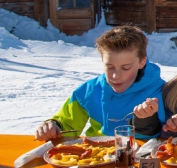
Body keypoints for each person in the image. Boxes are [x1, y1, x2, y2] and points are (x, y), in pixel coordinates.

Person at [34, 26, 165, 141]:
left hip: (140, 161)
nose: (115, 76)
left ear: (141, 62)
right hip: (96, 157)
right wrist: (54, 126)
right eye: (109, 67)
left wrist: (146, 121)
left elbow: (166, 136)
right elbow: (67, 126)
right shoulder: (90, 91)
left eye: (125, 68)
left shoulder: (161, 91)